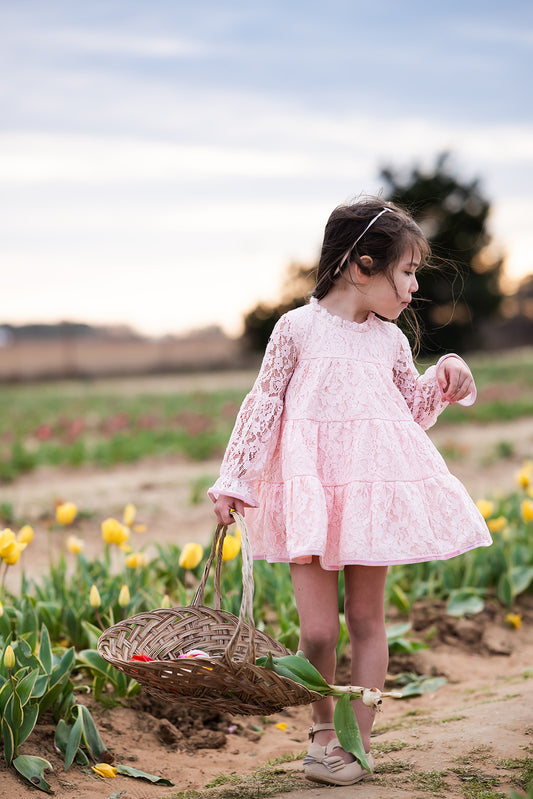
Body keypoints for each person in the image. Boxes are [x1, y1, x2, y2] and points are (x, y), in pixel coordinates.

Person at [208, 197, 492, 786]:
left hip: (367, 497)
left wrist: (444, 377)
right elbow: (263, 403)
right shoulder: (296, 329)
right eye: (408, 271)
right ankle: (320, 736)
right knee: (317, 631)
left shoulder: (388, 341)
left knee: (366, 618)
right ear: (362, 266)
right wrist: (234, 478)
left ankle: (355, 744)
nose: (414, 287)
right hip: (312, 494)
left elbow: (407, 410)